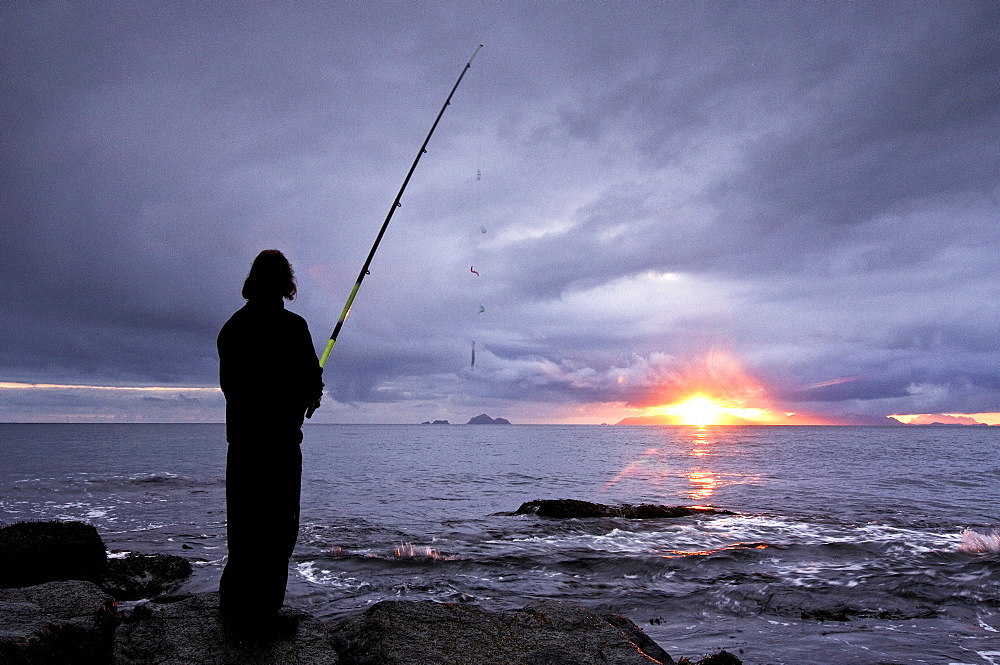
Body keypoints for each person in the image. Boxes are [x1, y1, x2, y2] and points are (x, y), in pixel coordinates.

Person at [217, 249, 323, 633]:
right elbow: (310, 387)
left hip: (243, 448)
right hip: (280, 449)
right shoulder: (294, 328)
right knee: (278, 533)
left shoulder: (231, 329)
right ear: (286, 283)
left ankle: (232, 606)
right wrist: (312, 393)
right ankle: (264, 615)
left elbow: (233, 390)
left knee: (244, 530)